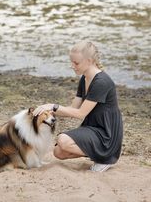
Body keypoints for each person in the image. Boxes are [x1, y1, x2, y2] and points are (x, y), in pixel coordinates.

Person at [33, 41, 123, 172]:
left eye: (76, 63)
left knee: (63, 140)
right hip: (93, 127)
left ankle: (106, 157)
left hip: (106, 133)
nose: (72, 66)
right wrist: (48, 111)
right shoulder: (84, 78)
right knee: (58, 152)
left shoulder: (101, 82)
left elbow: (80, 114)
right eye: (71, 62)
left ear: (89, 61)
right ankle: (100, 155)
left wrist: (54, 106)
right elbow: (73, 109)